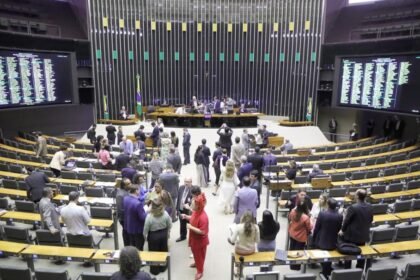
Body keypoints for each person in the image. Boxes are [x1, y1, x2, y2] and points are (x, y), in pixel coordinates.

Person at [340, 189, 373, 270]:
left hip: (352, 236)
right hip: (363, 235)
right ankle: (359, 271)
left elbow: (347, 221)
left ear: (357, 196)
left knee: (349, 254)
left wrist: (342, 230)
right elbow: (370, 219)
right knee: (361, 254)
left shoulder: (353, 207)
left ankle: (347, 271)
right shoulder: (370, 206)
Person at [181, 193, 209, 280]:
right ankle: (197, 263)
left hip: (200, 241)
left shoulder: (204, 217)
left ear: (198, 206)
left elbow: (202, 232)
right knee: (195, 253)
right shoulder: (196, 212)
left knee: (200, 256)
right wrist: (186, 217)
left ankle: (200, 271)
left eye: (192, 204)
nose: (191, 205)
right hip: (194, 238)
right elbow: (193, 218)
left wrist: (190, 227)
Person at [313, 198, 343, 278]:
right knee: (329, 254)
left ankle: (325, 272)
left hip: (322, 239)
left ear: (328, 205)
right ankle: (327, 268)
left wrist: (314, 237)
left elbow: (317, 227)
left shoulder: (322, 214)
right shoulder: (340, 216)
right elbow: (338, 228)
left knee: (324, 255)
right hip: (333, 240)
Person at [143, 198, 172, 275]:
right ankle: (163, 267)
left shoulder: (149, 217)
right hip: (163, 234)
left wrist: (145, 236)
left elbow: (146, 229)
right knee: (163, 250)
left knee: (153, 252)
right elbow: (170, 224)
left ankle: (155, 270)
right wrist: (168, 231)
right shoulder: (165, 214)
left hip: (153, 236)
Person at [288, 201, 312, 270]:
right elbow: (309, 228)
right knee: (298, 252)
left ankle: (291, 265)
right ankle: (296, 267)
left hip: (292, 234)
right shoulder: (305, 217)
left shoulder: (292, 212)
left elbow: (289, 218)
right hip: (301, 237)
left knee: (292, 249)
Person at [124, 185, 147, 250]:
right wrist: (148, 211)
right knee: (139, 247)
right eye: (139, 190)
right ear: (136, 191)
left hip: (129, 227)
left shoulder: (126, 198)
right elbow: (143, 217)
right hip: (138, 229)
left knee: (133, 246)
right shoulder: (138, 204)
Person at [176, 177, 193, 242]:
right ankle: (183, 236)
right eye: (185, 181)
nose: (186, 183)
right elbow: (179, 199)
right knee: (182, 224)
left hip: (189, 211)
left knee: (191, 225)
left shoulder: (193, 189)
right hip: (181, 210)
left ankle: (192, 239)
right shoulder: (181, 187)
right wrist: (177, 209)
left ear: (191, 182)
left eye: (188, 182)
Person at [117, 178, 130, 246]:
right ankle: (126, 245)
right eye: (128, 184)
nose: (130, 185)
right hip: (124, 218)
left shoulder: (127, 191)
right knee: (126, 232)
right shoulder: (120, 195)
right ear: (124, 186)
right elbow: (120, 210)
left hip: (128, 217)